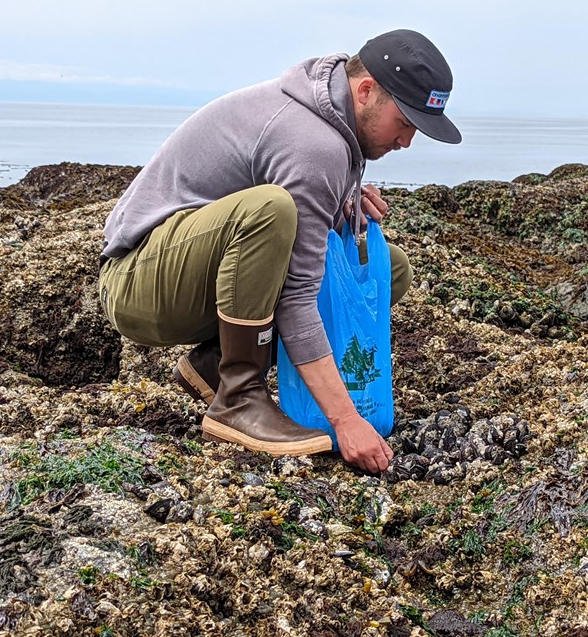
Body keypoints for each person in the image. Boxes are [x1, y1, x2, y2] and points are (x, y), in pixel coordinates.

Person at [99, 29, 462, 474]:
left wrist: (341, 197)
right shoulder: (314, 142)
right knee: (270, 211)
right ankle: (237, 398)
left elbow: (299, 244)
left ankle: (215, 364)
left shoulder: (332, 120)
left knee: (389, 270)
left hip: (189, 273)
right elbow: (296, 295)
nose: (407, 141)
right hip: (138, 282)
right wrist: (345, 421)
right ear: (366, 90)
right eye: (405, 123)